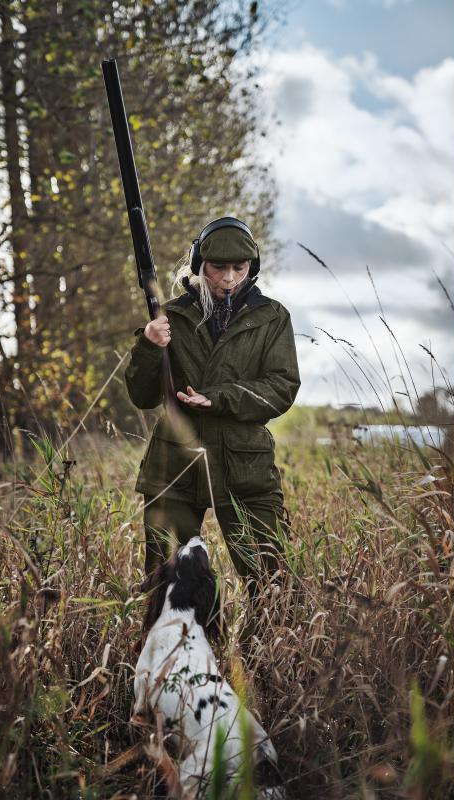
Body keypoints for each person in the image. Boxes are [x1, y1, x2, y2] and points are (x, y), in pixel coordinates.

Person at [124, 216, 301, 622]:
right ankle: (179, 656)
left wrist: (218, 398)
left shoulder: (272, 317)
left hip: (245, 468)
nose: (229, 278)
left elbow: (281, 387)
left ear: (252, 267)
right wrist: (149, 346)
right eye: (219, 267)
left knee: (273, 584)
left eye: (239, 267)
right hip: (175, 466)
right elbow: (142, 395)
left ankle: (265, 659)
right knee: (166, 588)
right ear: (199, 265)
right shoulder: (169, 317)